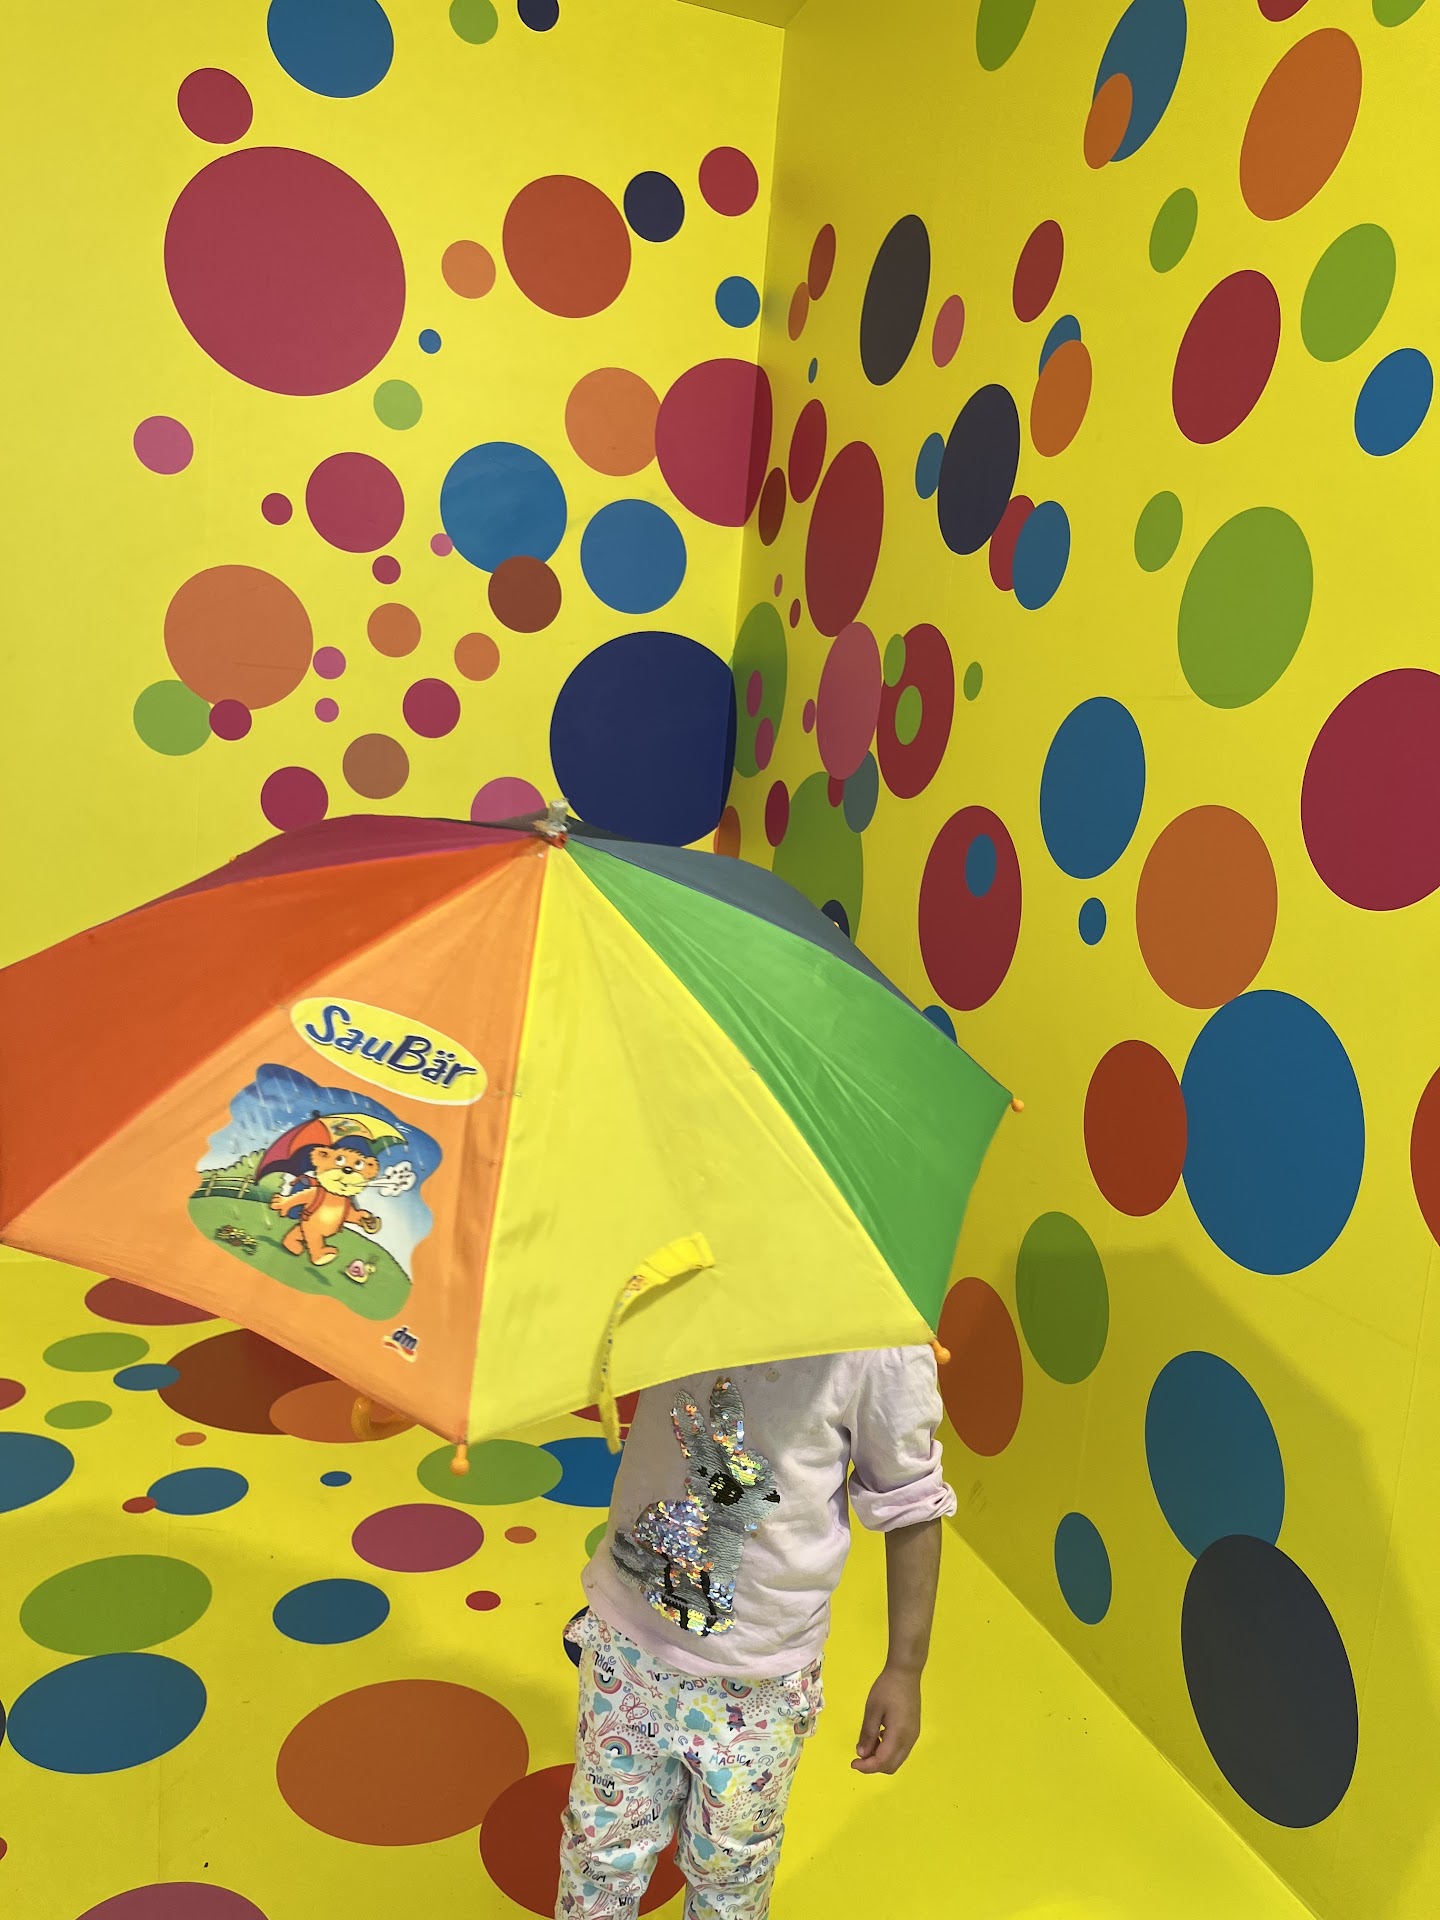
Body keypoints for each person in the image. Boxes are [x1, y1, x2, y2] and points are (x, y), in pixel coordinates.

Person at [556, 1346, 954, 1918]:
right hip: (628, 1646)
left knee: (730, 1878)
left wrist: (905, 1667)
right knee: (599, 1854)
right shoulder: (688, 1292)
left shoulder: (881, 1348)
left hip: (758, 1684)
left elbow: (911, 1501)